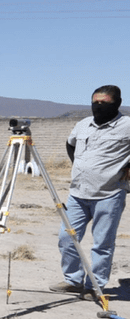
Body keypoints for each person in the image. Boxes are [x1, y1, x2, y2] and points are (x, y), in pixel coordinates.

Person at [52, 85, 130, 294]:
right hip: (78, 194)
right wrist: (81, 167)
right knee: (66, 238)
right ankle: (73, 280)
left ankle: (95, 286)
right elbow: (70, 145)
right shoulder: (83, 124)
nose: (98, 107)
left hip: (109, 194)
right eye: (95, 102)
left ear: (117, 104)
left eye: (104, 103)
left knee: (102, 244)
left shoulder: (127, 126)